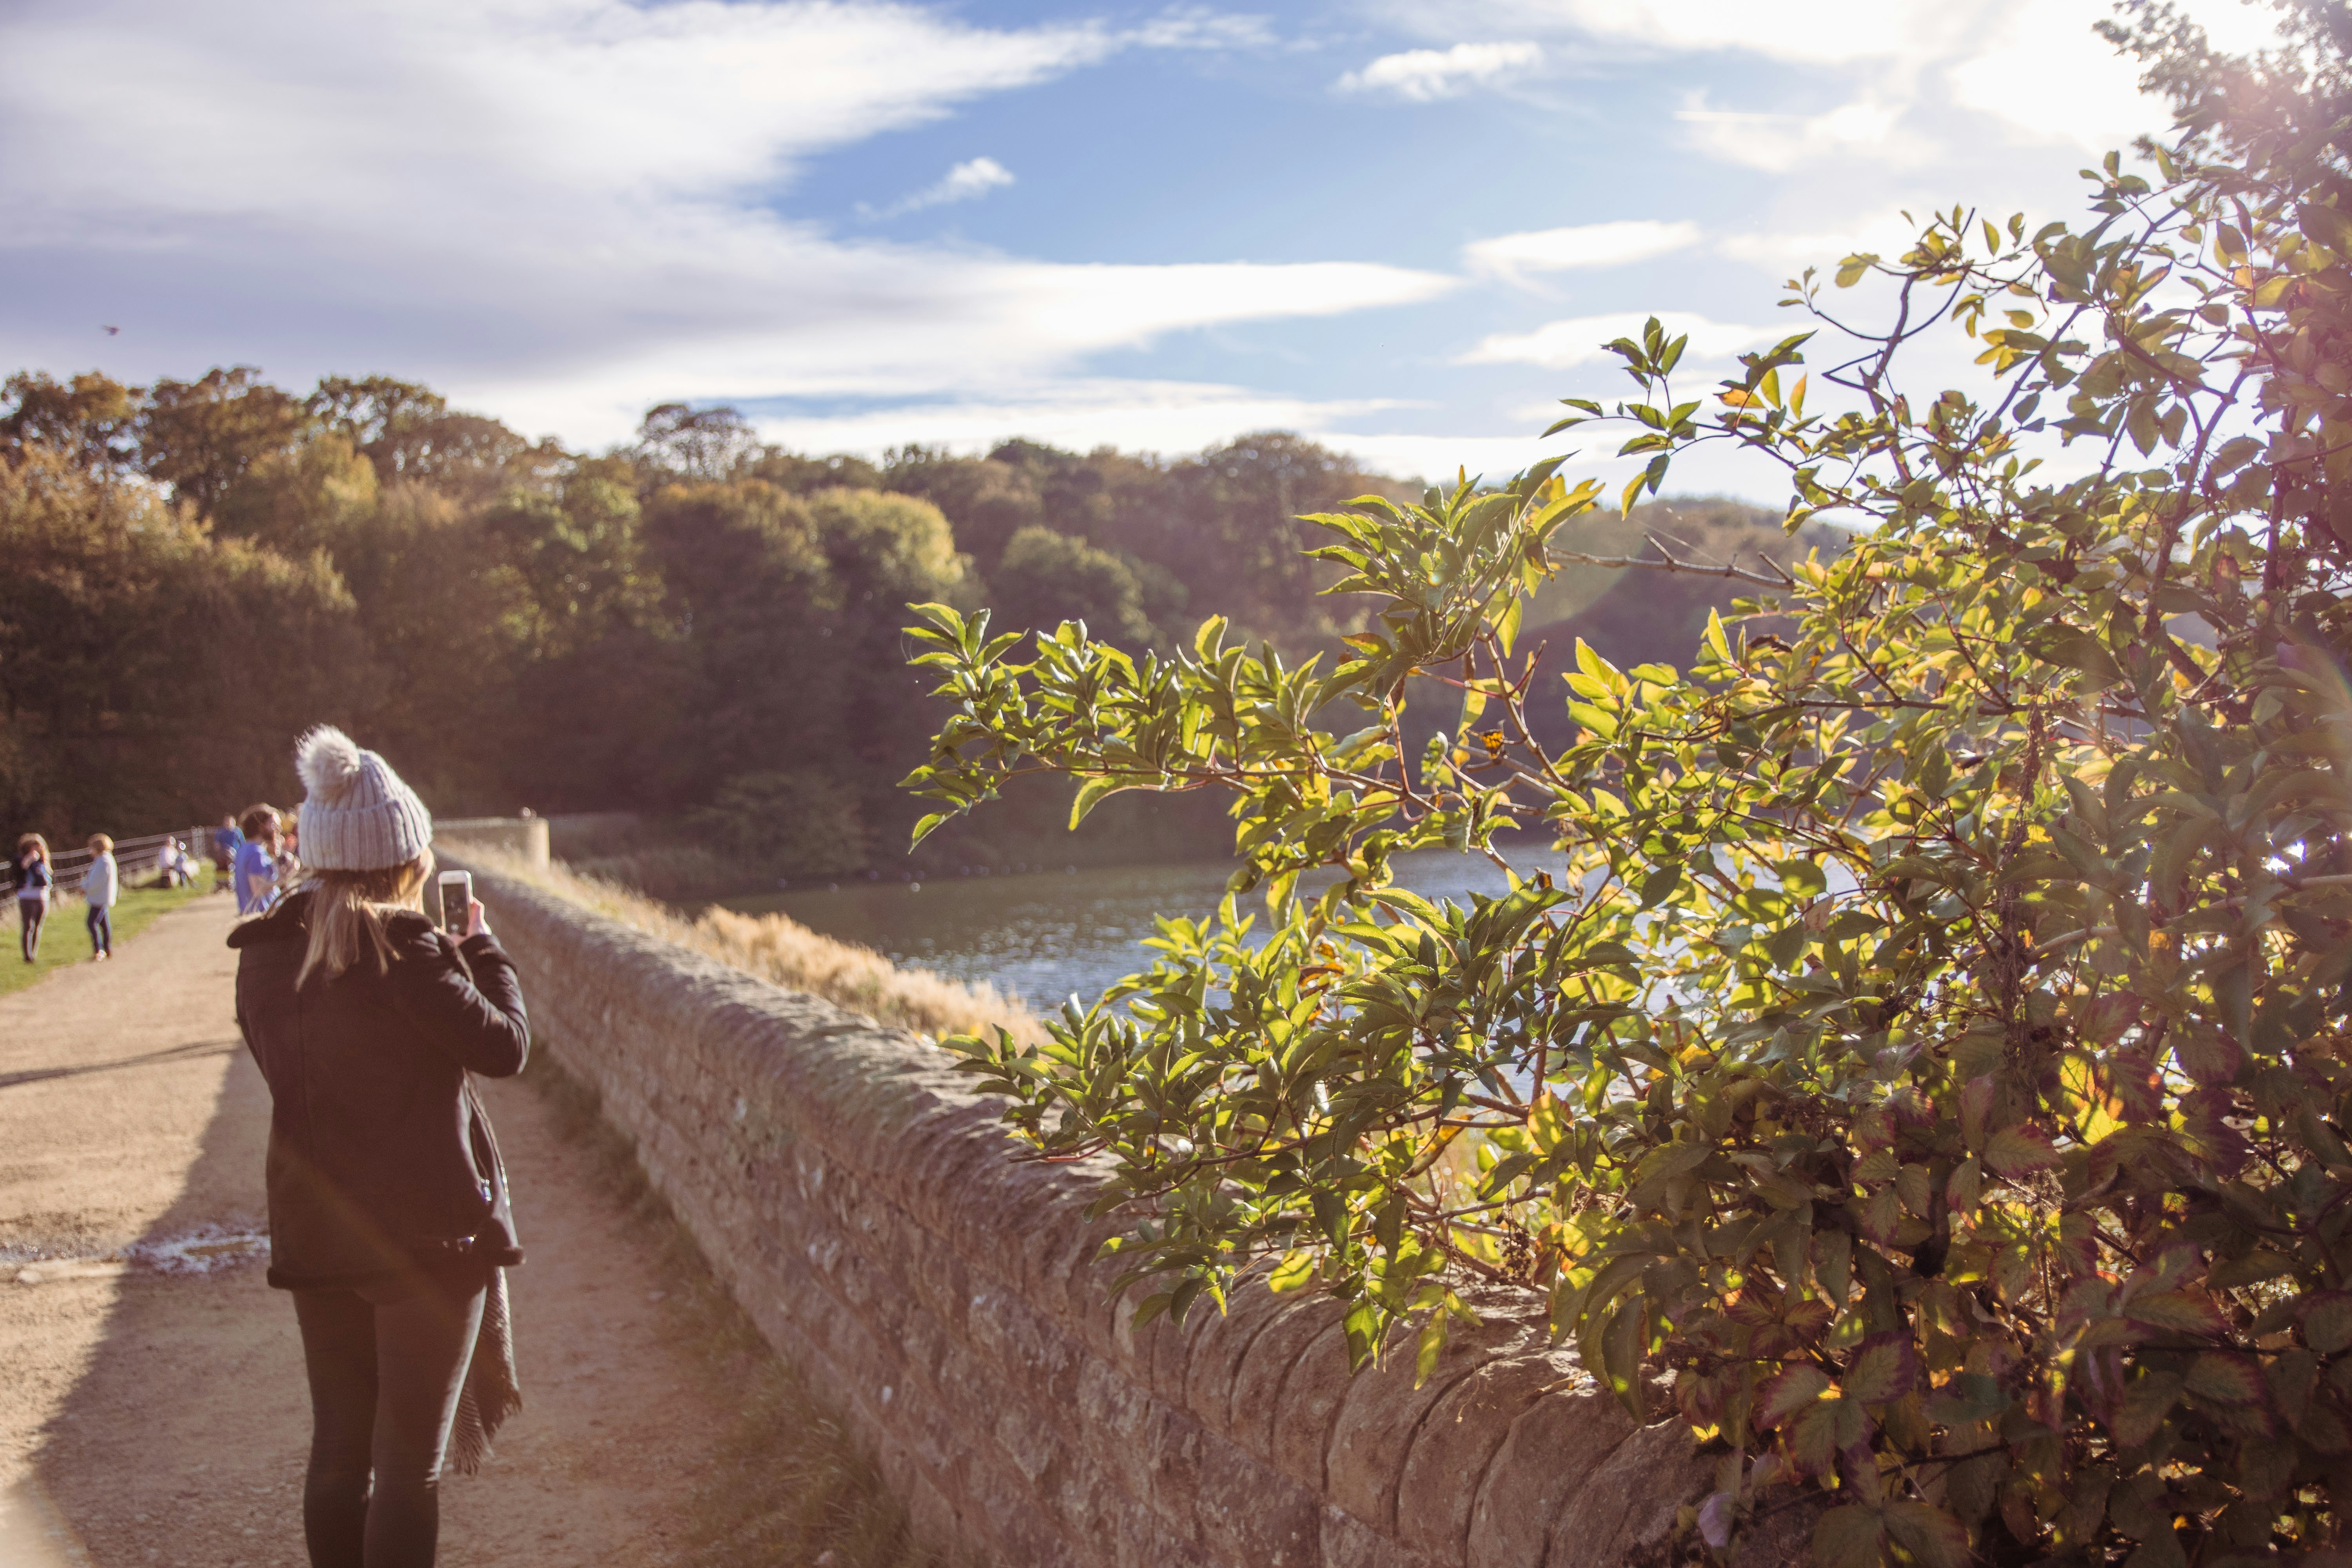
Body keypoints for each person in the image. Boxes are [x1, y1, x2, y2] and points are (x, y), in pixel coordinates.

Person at [229, 724, 528, 1568]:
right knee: (407, 1468)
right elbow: (505, 1047)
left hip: (315, 1228)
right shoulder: (409, 951)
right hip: (427, 1237)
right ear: (404, 855)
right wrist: (483, 949)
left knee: (338, 1452)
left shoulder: (260, 957)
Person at [235, 806, 283, 915]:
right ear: (261, 827)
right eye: (273, 825)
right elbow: (258, 889)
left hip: (251, 916)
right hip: (261, 917)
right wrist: (285, 878)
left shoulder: (245, 849)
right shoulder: (257, 853)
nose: (278, 829)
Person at [14, 834, 52, 963]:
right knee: (28, 926)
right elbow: (18, 873)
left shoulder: (43, 861)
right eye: (34, 845)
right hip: (27, 896)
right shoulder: (19, 859)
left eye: (40, 846)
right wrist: (29, 860)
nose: (38, 848)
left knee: (38, 926)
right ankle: (27, 956)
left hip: (42, 896)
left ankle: (34, 954)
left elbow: (49, 876)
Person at [82, 834, 116, 961]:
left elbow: (95, 882)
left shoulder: (103, 861)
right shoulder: (105, 859)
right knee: (104, 924)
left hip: (99, 898)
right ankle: (107, 949)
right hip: (102, 897)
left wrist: (84, 887)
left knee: (91, 923)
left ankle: (99, 950)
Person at [212, 815, 241, 894]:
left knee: (231, 867)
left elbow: (242, 843)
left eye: (230, 822)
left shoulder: (237, 831)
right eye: (227, 822)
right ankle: (220, 884)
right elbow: (217, 844)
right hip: (223, 854)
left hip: (234, 854)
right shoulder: (221, 832)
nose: (228, 824)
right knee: (221, 868)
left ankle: (231, 883)